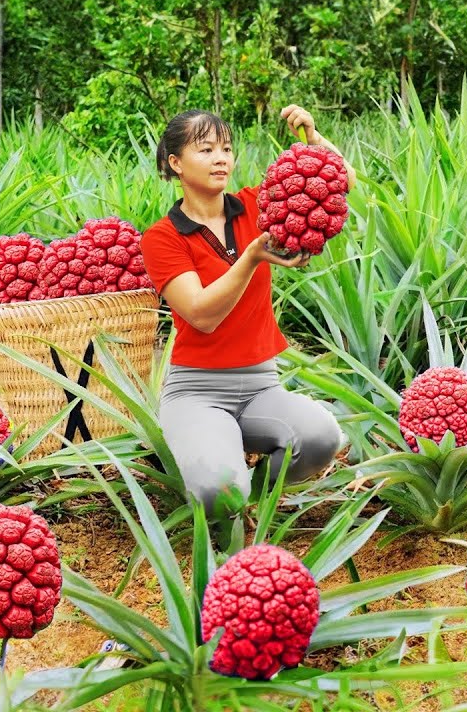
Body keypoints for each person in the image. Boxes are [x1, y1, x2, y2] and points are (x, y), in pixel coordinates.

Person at [140, 105, 356, 509]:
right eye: (205, 150)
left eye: (226, 148)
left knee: (321, 438)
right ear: (176, 163)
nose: (220, 158)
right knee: (218, 489)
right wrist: (252, 257)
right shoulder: (162, 237)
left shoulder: (257, 207)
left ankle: (254, 505)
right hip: (196, 391)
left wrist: (313, 139)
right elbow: (202, 315)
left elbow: (341, 181)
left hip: (261, 386)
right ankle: (225, 512)